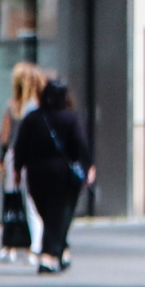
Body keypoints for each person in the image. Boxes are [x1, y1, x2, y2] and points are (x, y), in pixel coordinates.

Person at [14, 77, 92, 275]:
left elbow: (20, 147)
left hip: (37, 175)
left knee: (49, 216)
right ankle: (49, 256)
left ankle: (61, 251)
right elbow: (81, 146)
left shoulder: (32, 118)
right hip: (64, 176)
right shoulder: (70, 118)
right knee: (59, 216)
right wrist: (88, 167)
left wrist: (17, 169)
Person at [0, 62, 45, 263]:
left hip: (15, 156)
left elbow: (4, 137)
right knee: (34, 203)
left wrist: (2, 158)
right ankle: (35, 245)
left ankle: (9, 244)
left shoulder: (12, 106)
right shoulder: (40, 107)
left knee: (12, 200)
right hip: (35, 156)